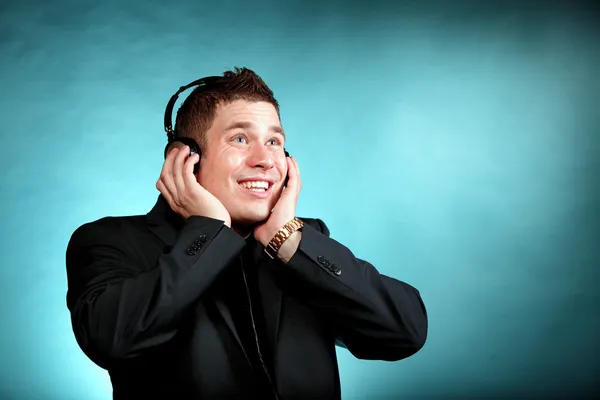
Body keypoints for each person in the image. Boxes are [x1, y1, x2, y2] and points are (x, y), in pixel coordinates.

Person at [65, 67, 428, 399]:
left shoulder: (302, 245)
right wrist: (208, 231)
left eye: (274, 142)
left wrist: (289, 242)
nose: (266, 160)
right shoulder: (110, 239)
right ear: (184, 158)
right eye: (240, 139)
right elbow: (111, 339)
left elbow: (404, 333)